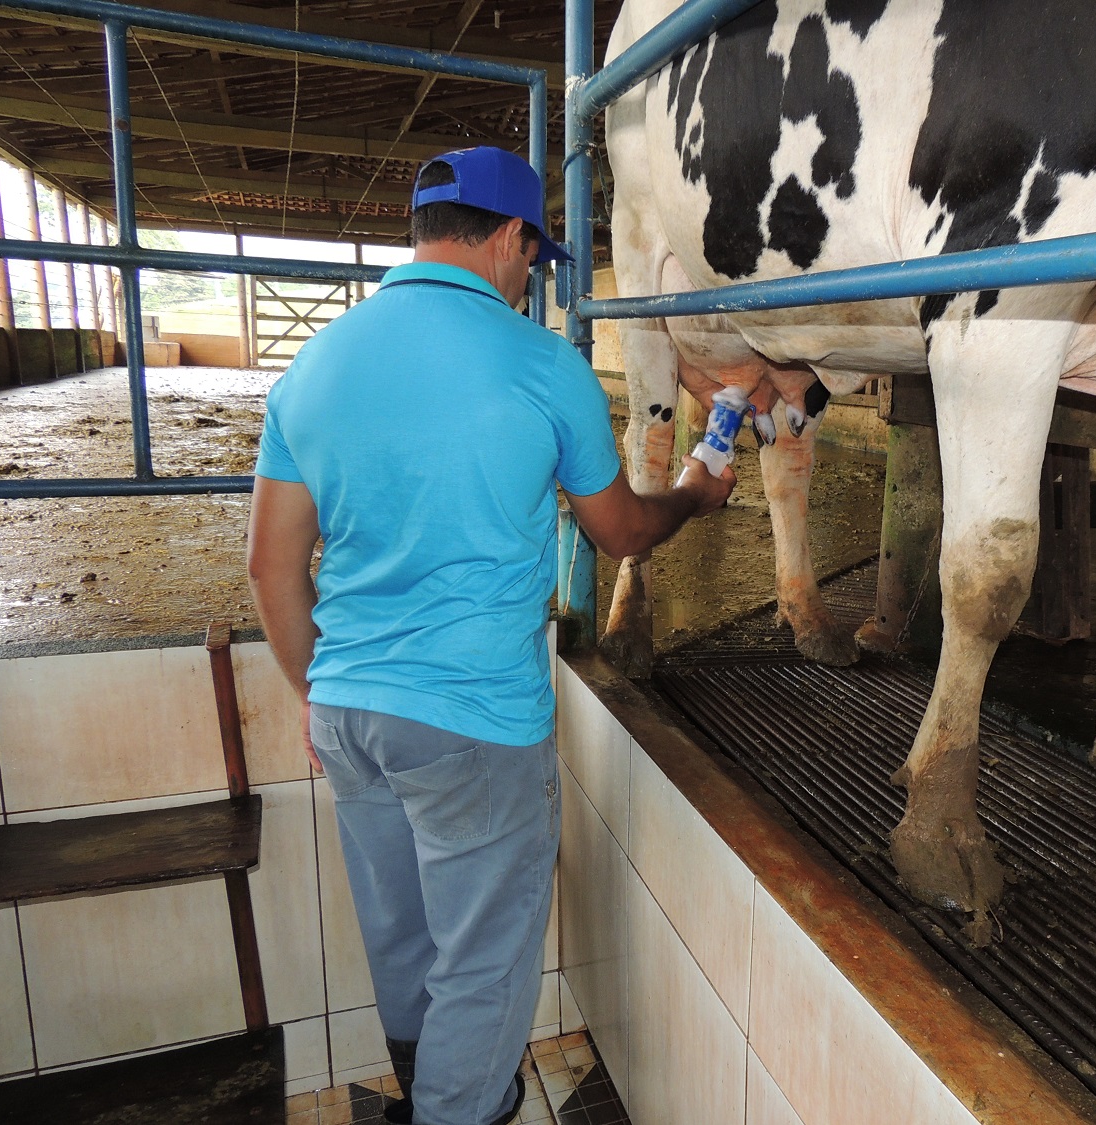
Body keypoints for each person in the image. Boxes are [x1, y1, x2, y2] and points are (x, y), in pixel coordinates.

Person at [246, 146, 734, 1125]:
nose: (529, 277)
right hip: (474, 722)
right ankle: (459, 1110)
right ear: (512, 239)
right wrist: (692, 494)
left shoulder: (317, 360)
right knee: (485, 956)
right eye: (533, 256)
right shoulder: (542, 364)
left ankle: (436, 1088)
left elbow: (270, 567)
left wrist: (317, 691)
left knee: (401, 929)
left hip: (348, 712)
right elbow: (617, 532)